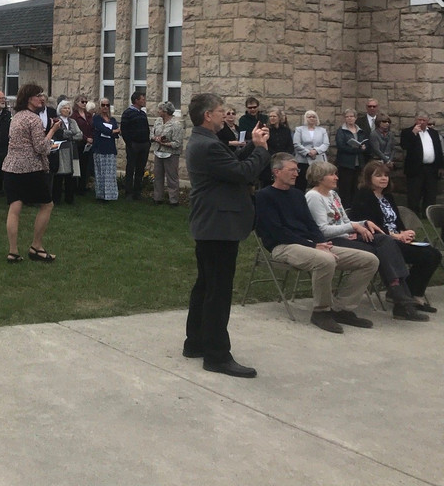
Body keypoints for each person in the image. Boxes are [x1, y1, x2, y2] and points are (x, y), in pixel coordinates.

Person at [183, 92, 270, 378]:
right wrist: (260, 150)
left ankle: (195, 342)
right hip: (218, 227)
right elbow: (242, 173)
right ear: (208, 115)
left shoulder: (204, 141)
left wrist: (249, 146)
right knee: (218, 292)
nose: (224, 114)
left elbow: (230, 163)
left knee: (206, 287)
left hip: (211, 225)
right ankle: (217, 355)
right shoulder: (207, 145)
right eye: (221, 111)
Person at [254, 154, 378, 333]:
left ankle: (342, 308)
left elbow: (311, 225)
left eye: (297, 170)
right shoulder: (264, 196)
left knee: (369, 260)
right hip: (283, 246)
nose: (296, 174)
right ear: (276, 172)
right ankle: (321, 312)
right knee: (325, 260)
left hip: (310, 244)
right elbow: (277, 231)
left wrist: (321, 242)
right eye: (292, 170)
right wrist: (313, 246)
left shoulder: (297, 195)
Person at [305, 161, 428, 321]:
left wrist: (360, 225)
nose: (336, 177)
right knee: (381, 248)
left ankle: (400, 297)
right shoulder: (314, 197)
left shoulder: (333, 195)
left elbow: (343, 220)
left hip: (344, 237)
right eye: (332, 174)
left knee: (384, 242)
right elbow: (323, 230)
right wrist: (353, 227)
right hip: (328, 242)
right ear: (319, 178)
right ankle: (400, 298)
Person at [351, 160, 440, 313]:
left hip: (397, 238)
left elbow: (397, 221)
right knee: (426, 256)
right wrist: (396, 236)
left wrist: (405, 233)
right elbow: (371, 224)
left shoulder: (388, 197)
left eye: (386, 175)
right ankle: (405, 295)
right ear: (368, 178)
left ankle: (414, 293)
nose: (384, 178)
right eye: (378, 176)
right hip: (381, 242)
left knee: (434, 254)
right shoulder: (364, 195)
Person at [3, 83, 61, 263]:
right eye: (39, 95)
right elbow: (42, 148)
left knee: (15, 207)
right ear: (29, 99)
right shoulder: (33, 119)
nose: (42, 98)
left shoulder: (16, 116)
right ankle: (36, 246)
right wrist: (52, 130)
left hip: (11, 167)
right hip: (30, 169)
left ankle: (13, 251)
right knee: (47, 204)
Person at [399, 112, 443, 218]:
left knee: (430, 193)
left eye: (424, 120)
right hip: (415, 168)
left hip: (431, 168)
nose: (421, 122)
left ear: (428, 121)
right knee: (414, 193)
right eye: (419, 120)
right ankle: (414, 215)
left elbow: (438, 150)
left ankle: (427, 214)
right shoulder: (407, 132)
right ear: (415, 120)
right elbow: (405, 146)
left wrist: (441, 166)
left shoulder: (433, 133)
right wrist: (413, 134)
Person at [334, 109, 369, 207]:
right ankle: (346, 209)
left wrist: (363, 147)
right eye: (347, 116)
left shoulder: (360, 131)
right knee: (345, 189)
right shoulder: (341, 131)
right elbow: (341, 146)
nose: (349, 118)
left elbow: (364, 143)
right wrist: (357, 149)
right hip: (346, 164)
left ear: (355, 118)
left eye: (351, 116)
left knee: (356, 188)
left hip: (359, 164)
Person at [151, 101, 183, 205]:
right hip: (158, 152)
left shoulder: (176, 124)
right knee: (158, 176)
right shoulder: (158, 121)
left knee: (172, 178)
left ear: (165, 111)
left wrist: (165, 143)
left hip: (171, 154)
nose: (158, 111)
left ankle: (173, 200)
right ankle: (157, 198)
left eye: (160, 109)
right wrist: (156, 138)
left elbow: (177, 143)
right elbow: (152, 133)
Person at [51, 100, 82, 205]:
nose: (67, 110)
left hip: (72, 150)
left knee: (71, 175)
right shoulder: (56, 121)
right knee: (59, 175)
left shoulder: (73, 121)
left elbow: (80, 135)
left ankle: (70, 199)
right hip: (61, 150)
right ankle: (56, 199)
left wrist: (69, 135)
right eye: (65, 108)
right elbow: (60, 134)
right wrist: (71, 134)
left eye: (69, 108)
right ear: (60, 109)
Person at [120, 91, 150, 200]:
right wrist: (129, 144)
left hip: (144, 145)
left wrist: (148, 143)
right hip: (134, 145)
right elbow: (124, 130)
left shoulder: (142, 114)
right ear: (136, 100)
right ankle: (128, 192)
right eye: (143, 99)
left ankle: (138, 192)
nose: (144, 101)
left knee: (140, 169)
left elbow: (146, 129)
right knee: (131, 169)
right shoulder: (127, 113)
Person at [292, 110, 328, 190]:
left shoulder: (322, 130)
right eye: (309, 117)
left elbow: (326, 144)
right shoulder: (299, 129)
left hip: (318, 160)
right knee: (301, 183)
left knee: (318, 182)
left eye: (313, 117)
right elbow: (296, 144)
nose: (311, 118)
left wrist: (316, 151)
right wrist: (308, 152)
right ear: (306, 118)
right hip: (303, 160)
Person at [92, 98, 120, 202]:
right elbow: (102, 129)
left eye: (107, 105)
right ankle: (101, 195)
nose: (105, 107)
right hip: (100, 148)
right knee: (101, 172)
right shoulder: (97, 118)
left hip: (110, 147)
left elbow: (115, 132)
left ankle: (110, 195)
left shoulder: (112, 119)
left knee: (110, 173)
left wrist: (113, 131)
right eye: (103, 105)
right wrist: (113, 131)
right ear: (99, 106)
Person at [260, 106, 295, 187]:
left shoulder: (286, 131)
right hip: (269, 161)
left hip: (284, 160)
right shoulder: (266, 130)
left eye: (274, 116)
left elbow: (290, 146)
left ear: (279, 118)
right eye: (270, 116)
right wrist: (274, 157)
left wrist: (284, 157)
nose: (272, 118)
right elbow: (265, 145)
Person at [71, 95, 95, 193]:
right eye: (82, 102)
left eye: (86, 102)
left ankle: (83, 186)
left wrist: (91, 138)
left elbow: (92, 127)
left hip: (88, 144)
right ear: (77, 103)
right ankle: (75, 187)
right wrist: (86, 138)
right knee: (78, 165)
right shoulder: (74, 115)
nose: (84, 104)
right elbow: (76, 130)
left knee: (86, 166)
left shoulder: (88, 115)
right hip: (79, 143)